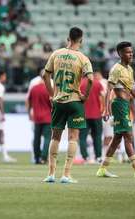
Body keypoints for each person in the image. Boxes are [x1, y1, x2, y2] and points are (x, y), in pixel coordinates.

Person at [42, 27, 94, 184]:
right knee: (73, 138)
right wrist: (85, 96)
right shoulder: (83, 58)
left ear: (68, 39)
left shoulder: (56, 54)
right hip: (74, 101)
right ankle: (66, 175)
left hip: (58, 101)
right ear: (81, 40)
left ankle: (51, 174)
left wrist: (52, 94)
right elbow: (91, 79)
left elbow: (45, 75)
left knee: (55, 137)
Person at [96, 41, 135, 178]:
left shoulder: (129, 69)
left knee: (117, 139)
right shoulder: (116, 69)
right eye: (128, 52)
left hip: (125, 104)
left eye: (131, 52)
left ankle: (102, 169)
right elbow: (109, 88)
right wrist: (106, 109)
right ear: (120, 53)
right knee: (128, 136)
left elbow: (132, 90)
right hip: (119, 104)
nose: (131, 54)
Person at [0, 71, 17, 162]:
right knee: (0, 132)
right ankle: (3, 156)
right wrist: (2, 113)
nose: (5, 78)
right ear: (1, 76)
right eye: (5, 76)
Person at [78, 71, 104, 163]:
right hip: (96, 114)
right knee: (97, 136)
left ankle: (85, 157)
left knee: (82, 137)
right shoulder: (97, 83)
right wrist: (103, 110)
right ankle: (98, 157)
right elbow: (102, 97)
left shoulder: (79, 83)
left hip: (83, 114)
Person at [27, 74, 52, 164]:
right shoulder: (49, 89)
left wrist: (29, 113)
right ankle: (44, 157)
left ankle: (36, 157)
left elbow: (29, 102)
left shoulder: (33, 88)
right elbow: (52, 103)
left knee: (36, 138)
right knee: (47, 138)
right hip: (47, 117)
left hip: (36, 117)